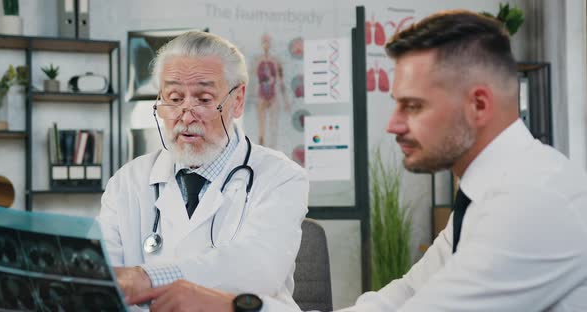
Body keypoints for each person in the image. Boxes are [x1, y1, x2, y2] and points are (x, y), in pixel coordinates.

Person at [128, 10, 587, 312]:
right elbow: (399, 299)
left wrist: (231, 307)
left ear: (479, 106)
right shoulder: (487, 196)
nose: (393, 125)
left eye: (413, 106)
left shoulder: (532, 203)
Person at [97, 31, 308, 310]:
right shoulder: (128, 181)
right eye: (173, 98)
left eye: (204, 99)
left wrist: (148, 278)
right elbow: (102, 280)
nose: (186, 115)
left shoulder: (281, 176)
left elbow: (257, 268)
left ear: (238, 100)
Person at [254, 33, 290, 148]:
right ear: (261, 44)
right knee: (261, 128)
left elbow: (281, 81)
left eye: (267, 42)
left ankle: (272, 151)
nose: (266, 45)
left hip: (273, 95)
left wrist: (285, 101)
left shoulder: (275, 61)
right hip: (261, 95)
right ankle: (261, 151)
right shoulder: (257, 61)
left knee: (273, 127)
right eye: (264, 42)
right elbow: (252, 80)